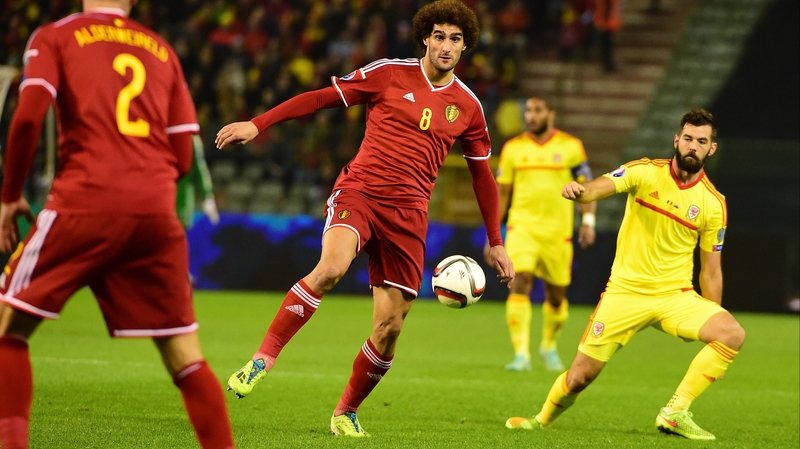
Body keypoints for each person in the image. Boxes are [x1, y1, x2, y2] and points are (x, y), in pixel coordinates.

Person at [215, 0, 514, 438]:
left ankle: (345, 412)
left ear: (465, 45)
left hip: (410, 215)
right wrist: (259, 124)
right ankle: (264, 358)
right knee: (332, 268)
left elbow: (482, 175)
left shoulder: (468, 107)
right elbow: (320, 98)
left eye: (455, 38)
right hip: (361, 192)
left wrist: (496, 239)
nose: (446, 45)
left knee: (390, 328)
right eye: (439, 36)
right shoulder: (389, 72)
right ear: (425, 38)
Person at [0, 2, 235, 448]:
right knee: (186, 358)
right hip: (154, 213)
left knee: (8, 328)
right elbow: (183, 156)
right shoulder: (162, 50)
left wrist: (10, 196)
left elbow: (29, 116)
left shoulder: (55, 35)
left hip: (84, 201)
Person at [505, 109, 746, 441]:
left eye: (701, 141)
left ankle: (675, 412)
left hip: (675, 296)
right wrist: (581, 191)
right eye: (688, 138)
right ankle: (541, 420)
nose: (693, 146)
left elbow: (712, 270)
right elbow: (599, 187)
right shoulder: (645, 172)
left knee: (731, 333)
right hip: (625, 293)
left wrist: (711, 312)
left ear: (711, 149)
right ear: (677, 140)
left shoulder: (713, 204)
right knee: (579, 378)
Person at [485, 97, 596, 372]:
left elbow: (588, 187)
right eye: (529, 111)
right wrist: (492, 234)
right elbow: (503, 192)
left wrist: (588, 221)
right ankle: (521, 354)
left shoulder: (571, 147)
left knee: (556, 295)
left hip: (558, 232)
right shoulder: (513, 149)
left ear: (551, 113)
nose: (531, 116)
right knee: (520, 278)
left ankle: (549, 346)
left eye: (537, 111)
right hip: (522, 227)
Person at [177, 135, 220, 230]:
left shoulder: (190, 138)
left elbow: (200, 168)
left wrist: (207, 195)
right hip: (159, 199)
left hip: (181, 199)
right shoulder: (157, 133)